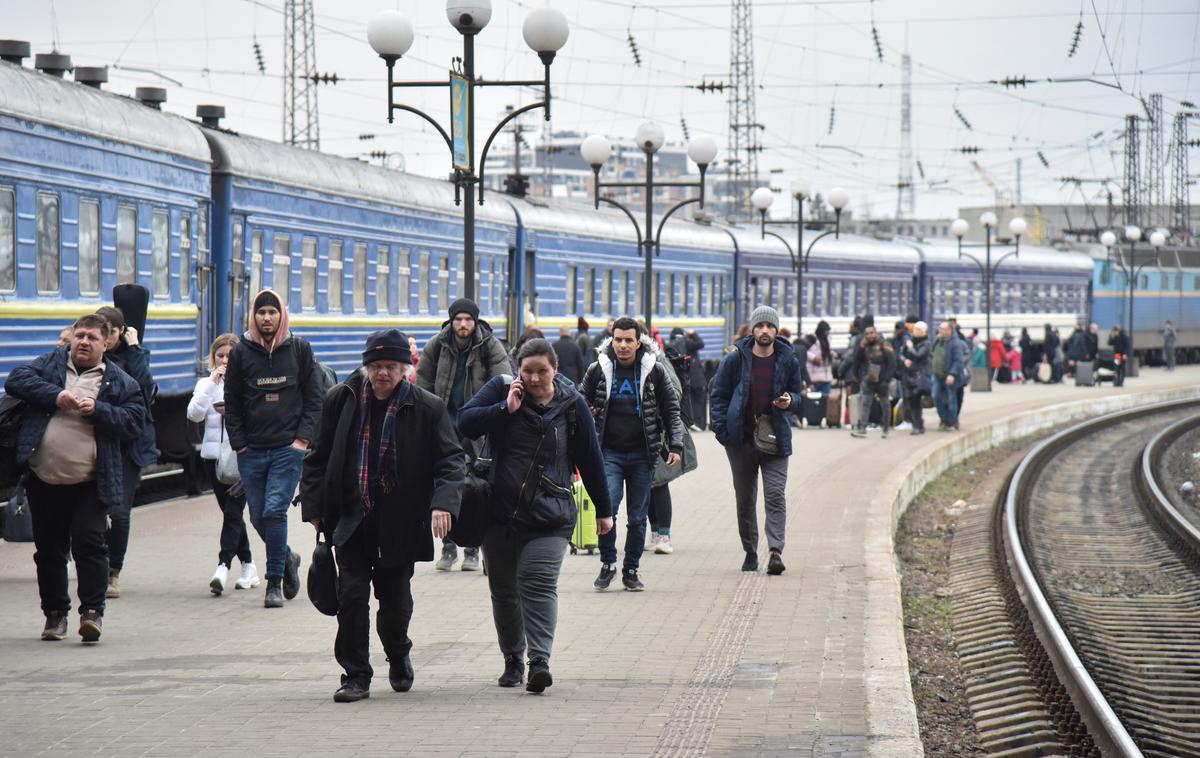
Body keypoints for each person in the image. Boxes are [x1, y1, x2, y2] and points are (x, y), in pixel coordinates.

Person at [300, 329, 466, 703]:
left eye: (391, 366)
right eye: (375, 366)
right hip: (351, 519)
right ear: (365, 367)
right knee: (352, 597)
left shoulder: (427, 407)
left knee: (394, 602)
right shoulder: (340, 400)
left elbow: (452, 460)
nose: (383, 374)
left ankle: (398, 651)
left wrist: (443, 502)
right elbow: (317, 457)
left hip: (399, 522)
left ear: (406, 368)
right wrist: (314, 509)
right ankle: (356, 675)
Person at [459, 338, 613, 692]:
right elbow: (465, 422)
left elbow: (591, 460)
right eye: (527, 371)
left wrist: (604, 512)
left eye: (542, 371)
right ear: (518, 371)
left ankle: (539, 661)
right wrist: (504, 409)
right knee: (504, 589)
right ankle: (513, 658)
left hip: (550, 513)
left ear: (555, 370)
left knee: (537, 582)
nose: (534, 378)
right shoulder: (501, 390)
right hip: (498, 511)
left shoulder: (573, 405)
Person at [6, 314, 146, 642]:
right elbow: (16, 380)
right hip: (44, 478)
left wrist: (96, 409)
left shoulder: (118, 381)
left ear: (106, 343)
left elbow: (134, 421)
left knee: (89, 544)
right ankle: (55, 615)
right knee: (50, 551)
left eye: (91, 338)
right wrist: (56, 396)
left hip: (91, 481)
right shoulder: (51, 365)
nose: (83, 342)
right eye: (79, 336)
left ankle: (92, 613)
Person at [224, 288, 323, 608]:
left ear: (282, 315)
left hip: (286, 449)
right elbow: (233, 402)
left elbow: (314, 399)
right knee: (256, 517)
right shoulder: (241, 354)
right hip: (251, 451)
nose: (266, 318)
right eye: (261, 313)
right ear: (253, 316)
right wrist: (239, 444)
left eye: (272, 312)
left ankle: (273, 583)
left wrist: (301, 441)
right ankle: (288, 557)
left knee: (275, 511)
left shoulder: (299, 350)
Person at [580, 317, 683, 592]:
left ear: (639, 343)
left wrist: (676, 445)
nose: (623, 345)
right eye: (618, 340)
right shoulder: (597, 369)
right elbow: (578, 404)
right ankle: (608, 564)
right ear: (611, 340)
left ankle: (631, 570)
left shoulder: (654, 371)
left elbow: (672, 411)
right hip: (609, 454)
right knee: (607, 510)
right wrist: (586, 415)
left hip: (642, 455)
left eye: (628, 340)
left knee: (637, 518)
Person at [710, 305, 805, 575]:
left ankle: (775, 550)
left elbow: (799, 396)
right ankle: (750, 551)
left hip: (776, 439)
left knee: (775, 494)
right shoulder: (736, 358)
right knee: (745, 498)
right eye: (760, 326)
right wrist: (722, 431)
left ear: (776, 330)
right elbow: (718, 394)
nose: (765, 330)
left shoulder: (788, 359)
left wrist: (790, 401)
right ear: (753, 329)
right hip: (740, 441)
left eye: (770, 326)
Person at [417, 297, 510, 572]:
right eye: (458, 319)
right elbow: (423, 383)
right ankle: (448, 547)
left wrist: (492, 415)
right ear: (451, 321)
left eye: (468, 319)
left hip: (477, 425)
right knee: (445, 484)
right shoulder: (437, 345)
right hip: (444, 425)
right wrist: (425, 419)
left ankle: (471, 547)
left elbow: (502, 381)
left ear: (475, 321)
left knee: (476, 488)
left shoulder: (490, 346)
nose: (463, 324)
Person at [92, 305, 157, 600]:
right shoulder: (93, 356)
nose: (106, 338)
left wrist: (135, 348)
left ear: (122, 332)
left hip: (129, 446)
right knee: (92, 510)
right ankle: (95, 566)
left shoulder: (135, 356)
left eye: (113, 332)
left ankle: (113, 572)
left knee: (119, 512)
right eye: (101, 331)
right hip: (96, 442)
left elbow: (146, 391)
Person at [187, 333, 259, 595]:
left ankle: (223, 566)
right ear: (213, 358)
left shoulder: (248, 384)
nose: (225, 360)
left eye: (230, 356)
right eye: (220, 355)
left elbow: (260, 418)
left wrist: (234, 410)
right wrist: (212, 384)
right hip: (213, 459)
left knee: (232, 513)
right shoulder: (206, 383)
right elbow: (194, 414)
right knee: (232, 516)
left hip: (241, 458)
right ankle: (249, 565)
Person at [850, 325, 897, 439]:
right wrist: (855, 373)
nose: (870, 336)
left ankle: (886, 428)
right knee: (865, 403)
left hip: (882, 379)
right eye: (867, 334)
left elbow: (892, 362)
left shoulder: (884, 344)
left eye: (872, 333)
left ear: (876, 333)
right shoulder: (863, 346)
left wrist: (887, 379)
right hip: (868, 379)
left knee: (885, 404)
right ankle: (862, 428)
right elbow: (856, 360)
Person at [931, 322, 965, 431]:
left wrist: (952, 374)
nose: (941, 331)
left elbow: (958, 361)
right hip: (937, 375)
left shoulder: (955, 344)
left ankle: (950, 421)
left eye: (944, 329)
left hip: (949, 376)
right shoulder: (937, 340)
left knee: (952, 399)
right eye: (940, 329)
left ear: (950, 330)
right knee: (935, 396)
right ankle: (944, 418)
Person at [901, 321, 932, 434]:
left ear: (924, 331)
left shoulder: (926, 343)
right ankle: (917, 424)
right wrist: (905, 360)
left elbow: (919, 356)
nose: (915, 331)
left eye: (918, 329)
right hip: (910, 375)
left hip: (920, 375)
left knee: (916, 398)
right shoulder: (910, 342)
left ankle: (918, 425)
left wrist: (911, 348)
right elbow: (901, 354)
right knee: (912, 401)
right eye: (915, 329)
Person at [685, 329, 708, 431]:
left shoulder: (681, 345)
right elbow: (701, 343)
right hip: (697, 380)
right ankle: (700, 424)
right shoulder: (689, 345)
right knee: (699, 402)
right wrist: (694, 334)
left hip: (690, 378)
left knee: (693, 402)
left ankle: (696, 423)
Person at [806, 321, 834, 398]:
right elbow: (804, 351)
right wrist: (813, 358)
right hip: (814, 378)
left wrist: (831, 353)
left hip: (826, 378)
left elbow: (828, 351)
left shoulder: (828, 341)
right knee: (815, 403)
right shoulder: (812, 340)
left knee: (824, 403)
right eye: (826, 331)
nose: (827, 333)